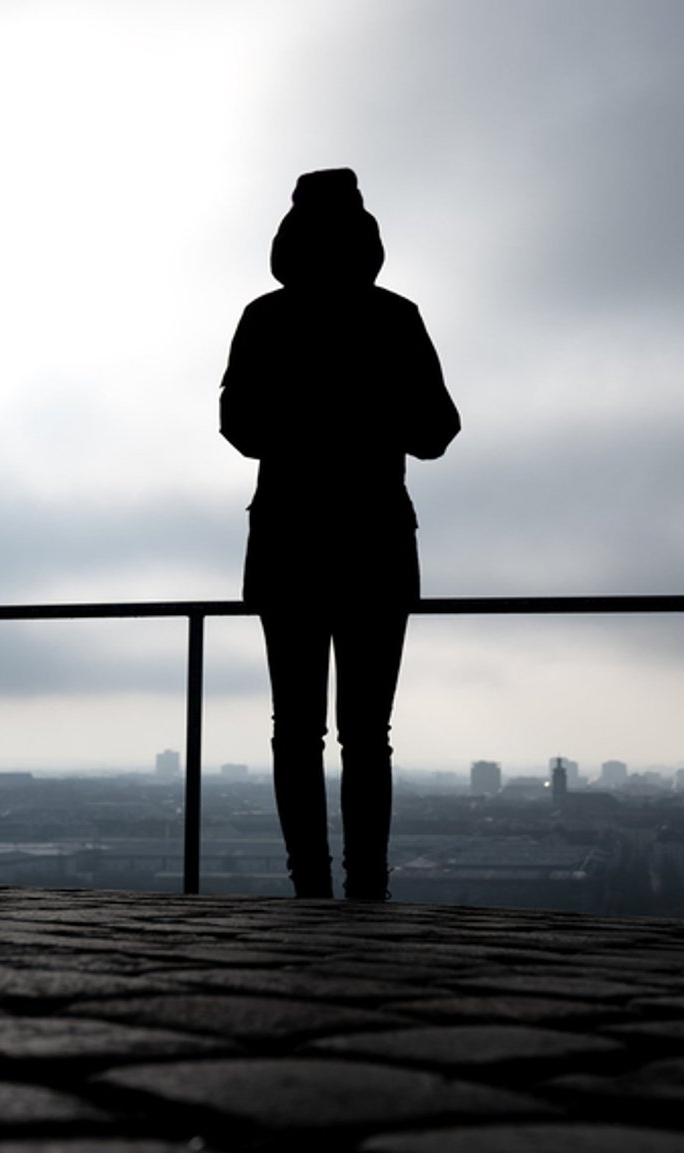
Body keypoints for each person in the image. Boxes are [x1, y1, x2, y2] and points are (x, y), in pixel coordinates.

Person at [220, 169, 461, 900]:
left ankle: (311, 885)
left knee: (296, 732)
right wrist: (373, 412)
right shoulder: (395, 318)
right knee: (366, 735)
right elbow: (437, 431)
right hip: (374, 547)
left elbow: (240, 427)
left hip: (290, 545)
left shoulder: (265, 318)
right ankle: (366, 885)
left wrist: (302, 419)